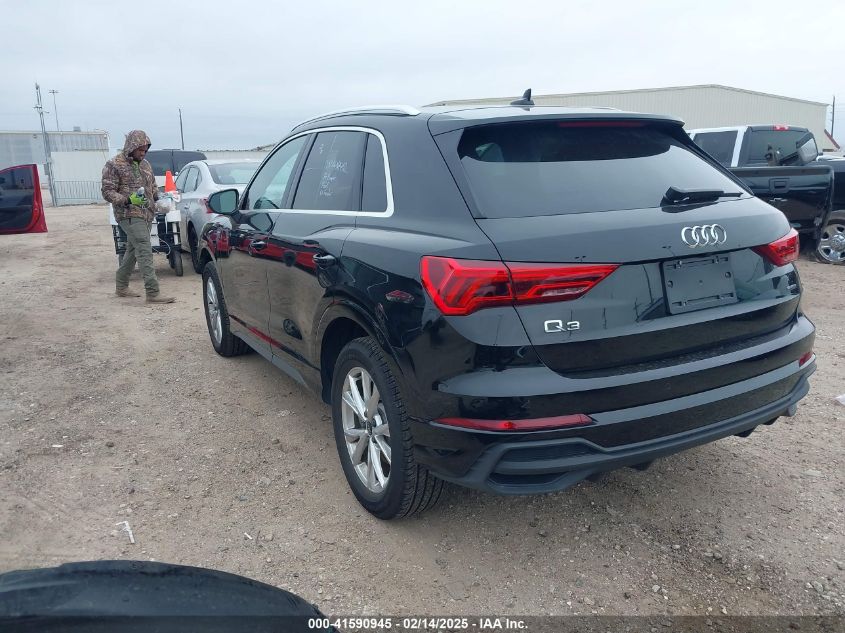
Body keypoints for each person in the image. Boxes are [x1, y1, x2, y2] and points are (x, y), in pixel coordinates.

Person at [101, 130, 175, 303]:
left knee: (133, 250)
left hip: (146, 213)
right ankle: (153, 292)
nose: (143, 153)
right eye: (140, 150)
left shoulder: (145, 165)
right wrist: (127, 200)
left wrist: (160, 199)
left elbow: (153, 186)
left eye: (145, 150)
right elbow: (107, 191)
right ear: (131, 147)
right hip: (127, 213)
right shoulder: (114, 165)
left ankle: (121, 286)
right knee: (143, 247)